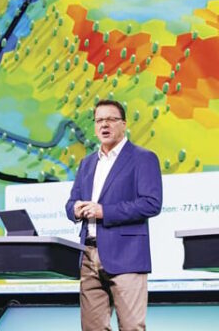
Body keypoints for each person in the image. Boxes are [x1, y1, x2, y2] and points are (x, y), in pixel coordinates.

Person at [65, 99, 162, 331]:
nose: (104, 125)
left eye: (110, 119)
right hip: (88, 255)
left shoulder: (142, 158)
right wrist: (75, 209)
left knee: (131, 327)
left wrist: (104, 211)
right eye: (99, 120)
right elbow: (70, 203)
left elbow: (151, 203)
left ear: (124, 124)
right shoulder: (87, 163)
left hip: (126, 256)